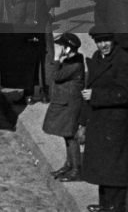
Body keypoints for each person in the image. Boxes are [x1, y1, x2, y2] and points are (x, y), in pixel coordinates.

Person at [82, 25, 128, 212]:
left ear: (113, 40)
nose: (103, 45)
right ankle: (104, 205)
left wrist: (96, 96)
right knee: (103, 166)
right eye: (99, 41)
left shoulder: (123, 60)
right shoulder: (97, 57)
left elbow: (124, 93)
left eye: (106, 41)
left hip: (116, 123)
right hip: (100, 121)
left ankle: (115, 207)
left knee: (115, 169)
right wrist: (82, 121)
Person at [45, 32, 85, 182]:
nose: (59, 49)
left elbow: (55, 76)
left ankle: (75, 170)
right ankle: (68, 165)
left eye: (62, 46)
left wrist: (56, 59)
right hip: (65, 103)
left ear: (68, 48)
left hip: (70, 105)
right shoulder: (71, 60)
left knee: (70, 136)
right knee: (66, 135)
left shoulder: (75, 64)